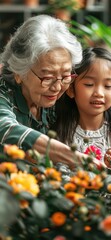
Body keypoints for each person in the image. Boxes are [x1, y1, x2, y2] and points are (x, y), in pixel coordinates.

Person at [0, 14, 85, 169]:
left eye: (65, 75)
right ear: (19, 73)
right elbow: (6, 128)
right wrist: (73, 157)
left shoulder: (66, 90)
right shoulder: (3, 93)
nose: (57, 87)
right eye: (47, 77)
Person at [51, 47, 111, 166]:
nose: (99, 93)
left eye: (108, 86)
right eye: (89, 84)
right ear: (71, 89)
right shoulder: (60, 130)